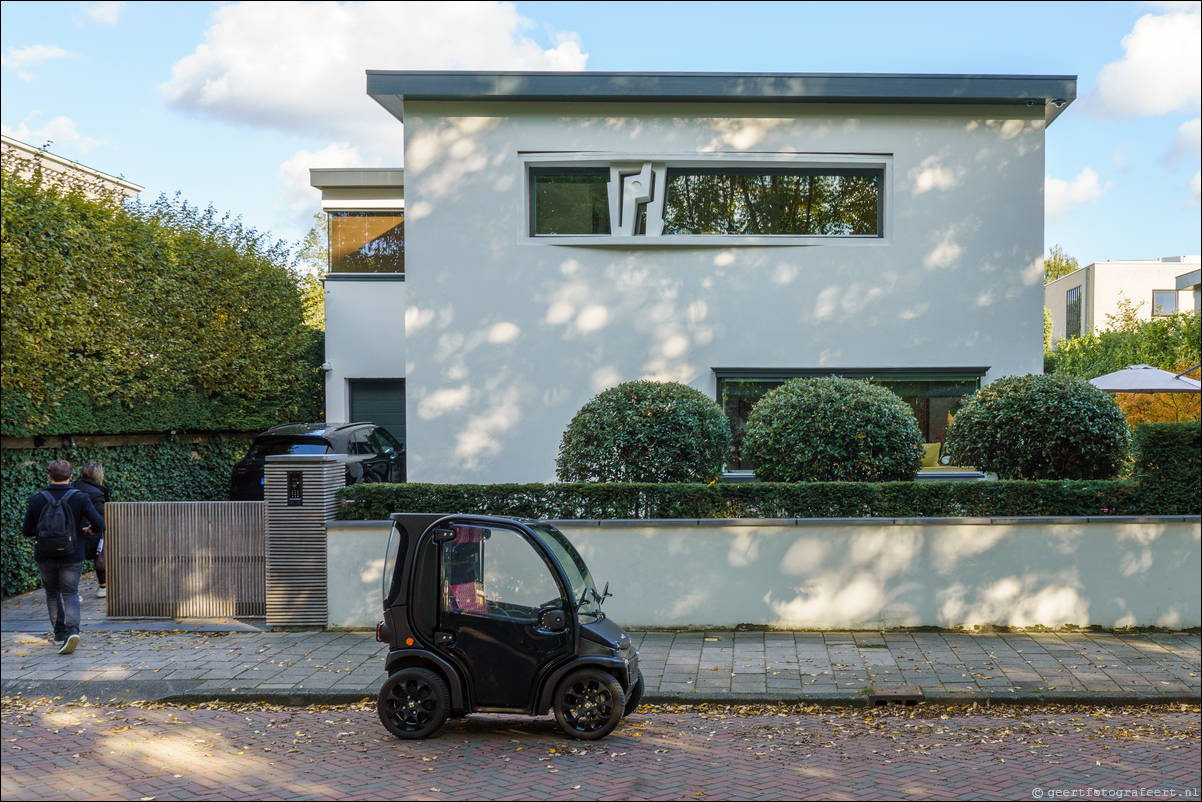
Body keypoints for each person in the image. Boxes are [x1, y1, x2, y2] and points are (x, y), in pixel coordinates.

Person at [22, 459, 105, 655]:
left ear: (49, 476)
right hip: (72, 553)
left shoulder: (36, 499)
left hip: (45, 554)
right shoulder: (80, 497)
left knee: (52, 593)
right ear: (70, 477)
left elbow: (27, 530)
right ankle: (73, 631)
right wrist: (89, 530)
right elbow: (99, 523)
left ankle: (59, 633)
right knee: (70, 593)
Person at [74, 461, 110, 598]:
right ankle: (103, 586)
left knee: (76, 560)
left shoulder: (74, 487)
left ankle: (74, 591)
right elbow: (101, 514)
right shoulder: (97, 492)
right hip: (92, 530)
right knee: (100, 556)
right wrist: (96, 527)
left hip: (75, 531)